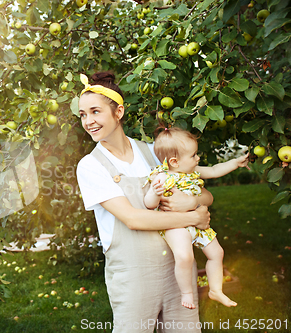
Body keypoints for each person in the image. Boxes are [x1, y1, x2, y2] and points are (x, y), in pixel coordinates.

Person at [76, 72, 212, 333]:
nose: (88, 121)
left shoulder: (153, 152)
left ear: (119, 112)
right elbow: (133, 219)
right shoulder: (91, 166)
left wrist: (194, 201)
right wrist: (193, 217)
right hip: (133, 276)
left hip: (178, 270)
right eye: (83, 115)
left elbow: (205, 195)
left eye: (95, 111)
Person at [143, 127, 249, 309]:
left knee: (217, 253)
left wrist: (235, 163)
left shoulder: (192, 171)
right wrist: (153, 192)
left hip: (198, 224)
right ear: (175, 161)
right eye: (193, 155)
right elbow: (149, 204)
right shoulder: (162, 177)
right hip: (176, 226)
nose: (197, 158)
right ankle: (187, 293)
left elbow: (215, 170)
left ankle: (216, 290)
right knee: (185, 256)